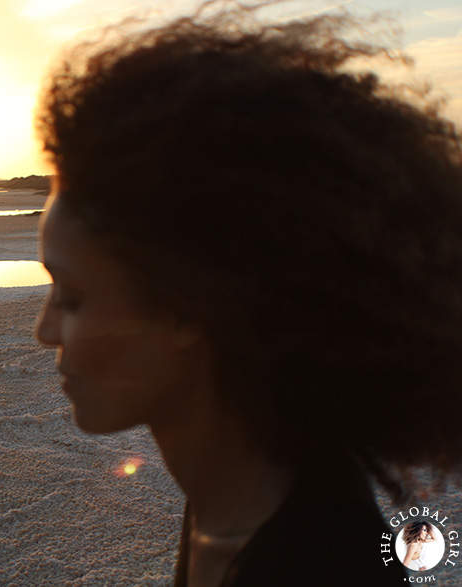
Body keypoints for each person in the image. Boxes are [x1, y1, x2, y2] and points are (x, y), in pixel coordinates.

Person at [33, 1, 462, 585]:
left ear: (186, 304)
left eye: (73, 295)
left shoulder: (315, 564)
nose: (44, 330)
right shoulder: (240, 502)